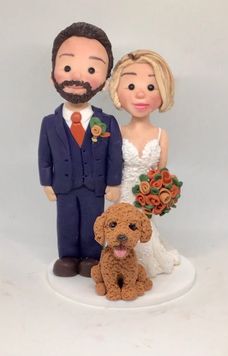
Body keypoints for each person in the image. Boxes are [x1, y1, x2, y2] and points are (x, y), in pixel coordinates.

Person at [38, 22, 122, 278]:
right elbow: (44, 156)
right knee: (65, 221)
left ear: (106, 80)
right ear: (53, 73)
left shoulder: (107, 122)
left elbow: (114, 156)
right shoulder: (49, 123)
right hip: (63, 185)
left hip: (95, 186)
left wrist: (114, 183)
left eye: (92, 68)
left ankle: (91, 256)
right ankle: (67, 256)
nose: (78, 77)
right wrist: (46, 182)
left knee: (92, 221)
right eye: (66, 66)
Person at [109, 50, 180, 278]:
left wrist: (160, 195)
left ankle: (144, 263)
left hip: (146, 196)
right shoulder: (118, 131)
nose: (140, 94)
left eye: (151, 87)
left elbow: (162, 173)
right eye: (130, 87)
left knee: (143, 228)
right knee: (121, 227)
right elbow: (111, 165)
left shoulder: (161, 134)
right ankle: (118, 265)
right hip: (123, 191)